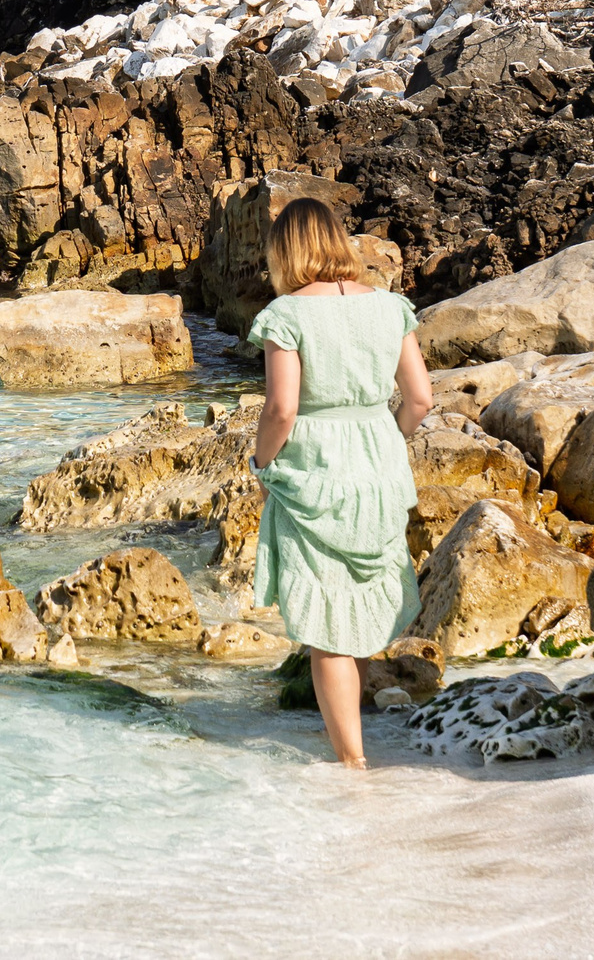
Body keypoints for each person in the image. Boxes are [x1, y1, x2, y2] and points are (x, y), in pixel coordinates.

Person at [245, 198, 433, 770]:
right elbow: (421, 399)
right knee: (356, 612)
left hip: (315, 463)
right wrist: (387, 438)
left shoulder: (287, 313)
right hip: (377, 458)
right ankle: (359, 753)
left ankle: (352, 765)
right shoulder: (391, 307)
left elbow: (282, 408)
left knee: (327, 629)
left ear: (287, 251)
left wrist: (260, 463)